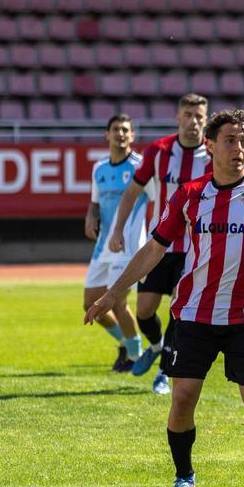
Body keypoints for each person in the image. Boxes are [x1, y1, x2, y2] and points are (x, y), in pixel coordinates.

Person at [85, 109, 244, 487]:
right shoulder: (189, 194)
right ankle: (184, 476)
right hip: (193, 314)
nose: (239, 149)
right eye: (230, 141)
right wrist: (115, 293)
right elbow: (154, 249)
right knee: (183, 397)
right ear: (210, 145)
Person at [110, 94, 210, 395]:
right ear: (178, 117)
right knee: (143, 311)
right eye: (188, 115)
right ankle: (154, 346)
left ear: (206, 120)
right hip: (159, 244)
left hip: (194, 246)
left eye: (199, 116)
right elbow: (132, 192)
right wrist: (118, 229)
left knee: (178, 308)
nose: (194, 121)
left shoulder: (213, 153)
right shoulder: (158, 151)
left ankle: (164, 373)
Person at [82, 113, 146, 373]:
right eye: (116, 129)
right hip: (103, 246)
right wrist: (90, 216)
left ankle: (135, 355)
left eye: (125, 130)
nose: (121, 134)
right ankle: (127, 344)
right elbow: (95, 203)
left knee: (118, 303)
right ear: (106, 134)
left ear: (132, 136)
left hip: (129, 246)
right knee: (90, 305)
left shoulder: (141, 166)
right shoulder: (99, 168)